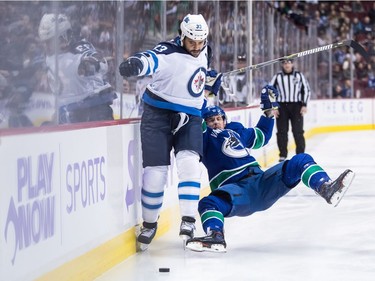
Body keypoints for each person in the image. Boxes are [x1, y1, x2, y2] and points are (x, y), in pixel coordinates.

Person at [185, 86, 354, 253]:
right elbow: (195, 115)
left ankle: (325, 188)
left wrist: (268, 112)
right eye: (211, 120)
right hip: (236, 190)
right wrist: (204, 87)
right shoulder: (204, 137)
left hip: (260, 181)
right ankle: (215, 236)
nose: (216, 122)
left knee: (300, 160)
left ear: (224, 119)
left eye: (218, 118)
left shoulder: (236, 130)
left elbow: (261, 136)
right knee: (208, 203)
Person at [118, 14, 222, 250]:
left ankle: (188, 219)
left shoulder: (206, 50)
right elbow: (150, 59)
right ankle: (149, 223)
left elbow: (197, 78)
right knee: (155, 173)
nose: (196, 47)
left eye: (200, 42)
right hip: (158, 115)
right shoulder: (168, 51)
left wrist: (209, 82)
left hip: (191, 117)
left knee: (189, 163)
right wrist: (135, 63)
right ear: (182, 36)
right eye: (192, 42)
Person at [38, 13, 117, 124]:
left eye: (49, 41)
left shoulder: (79, 48)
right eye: (44, 42)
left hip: (93, 108)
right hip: (69, 110)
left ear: (62, 38)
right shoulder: (50, 56)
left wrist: (90, 65)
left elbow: (100, 63)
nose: (45, 46)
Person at [269, 59, 311, 162]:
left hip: (296, 106)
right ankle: (282, 155)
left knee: (298, 132)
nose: (287, 65)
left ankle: (300, 155)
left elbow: (306, 90)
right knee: (282, 132)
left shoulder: (299, 75)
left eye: (289, 62)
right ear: (282, 65)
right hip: (282, 107)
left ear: (292, 63)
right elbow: (270, 91)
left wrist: (304, 104)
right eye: (284, 63)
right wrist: (274, 106)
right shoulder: (277, 76)